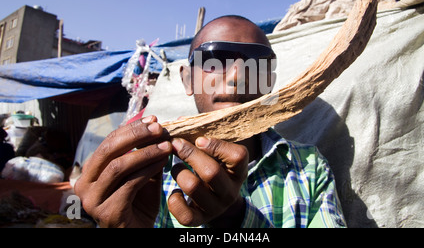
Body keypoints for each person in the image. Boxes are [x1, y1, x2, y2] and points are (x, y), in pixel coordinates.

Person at [74, 15, 346, 228]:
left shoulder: (308, 168)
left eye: (259, 63)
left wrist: (235, 220)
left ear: (270, 82)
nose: (238, 76)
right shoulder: (145, 172)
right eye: (216, 59)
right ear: (187, 78)